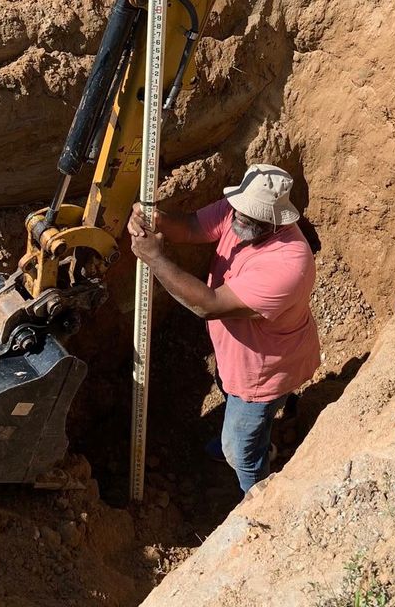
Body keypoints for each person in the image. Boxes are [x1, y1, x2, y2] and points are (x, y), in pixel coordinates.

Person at [128, 163, 320, 494]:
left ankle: (257, 500)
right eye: (238, 211)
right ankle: (258, 438)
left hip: (265, 372)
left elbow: (208, 304)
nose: (238, 220)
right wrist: (158, 221)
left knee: (239, 451)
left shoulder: (288, 265)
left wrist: (156, 259)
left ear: (276, 221)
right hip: (239, 356)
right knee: (233, 397)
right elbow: (189, 227)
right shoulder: (240, 210)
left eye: (251, 218)